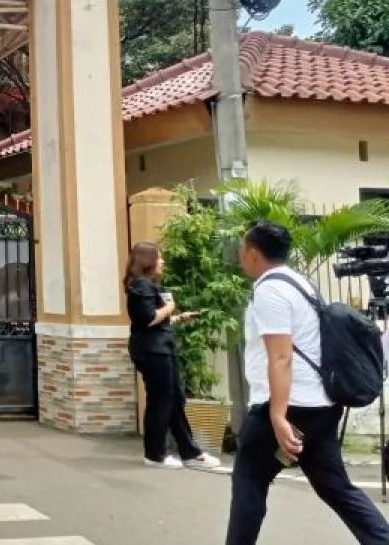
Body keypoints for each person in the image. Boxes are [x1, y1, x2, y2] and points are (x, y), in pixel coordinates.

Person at [226, 221, 389, 544]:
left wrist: (277, 415)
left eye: (243, 249)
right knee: (336, 486)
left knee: (249, 480)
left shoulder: (270, 290)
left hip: (289, 406)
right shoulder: (301, 283)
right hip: (321, 405)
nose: (241, 255)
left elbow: (281, 357)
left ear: (254, 253)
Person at [125, 241, 221, 470]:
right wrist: (170, 306)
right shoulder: (140, 285)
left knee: (174, 398)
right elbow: (148, 319)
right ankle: (155, 454)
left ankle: (189, 452)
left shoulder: (147, 286)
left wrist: (178, 317)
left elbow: (153, 322)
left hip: (159, 348)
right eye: (159, 258)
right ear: (148, 261)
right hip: (153, 351)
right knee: (162, 400)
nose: (163, 262)